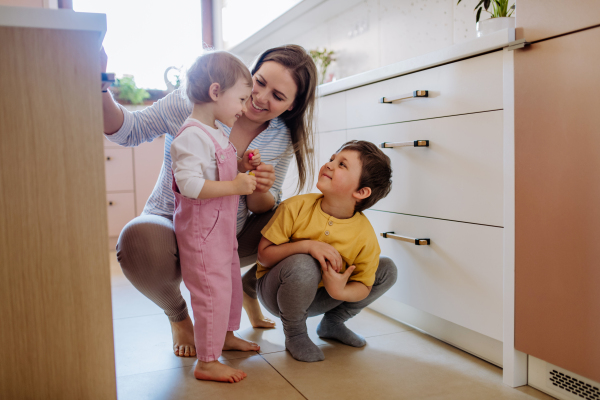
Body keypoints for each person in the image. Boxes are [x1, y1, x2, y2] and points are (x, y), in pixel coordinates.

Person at [102, 44, 318, 357]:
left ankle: (234, 313)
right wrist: (101, 84)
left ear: (291, 107)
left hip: (230, 230)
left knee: (292, 215)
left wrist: (257, 185)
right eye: (259, 82)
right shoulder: (196, 100)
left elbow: (264, 206)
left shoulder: (281, 135)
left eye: (278, 96)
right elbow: (128, 132)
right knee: (137, 240)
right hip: (175, 222)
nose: (259, 98)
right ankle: (178, 316)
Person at [256, 140, 398, 362]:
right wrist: (307, 246)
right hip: (276, 293)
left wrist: (340, 291)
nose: (329, 164)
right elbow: (263, 256)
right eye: (332, 158)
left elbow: (364, 285)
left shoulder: (364, 235)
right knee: (304, 263)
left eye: (342, 164)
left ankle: (333, 323)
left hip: (323, 296)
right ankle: (295, 334)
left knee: (387, 269)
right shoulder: (295, 207)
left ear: (361, 191)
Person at [170, 51, 262, 382]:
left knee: (228, 287)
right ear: (214, 92)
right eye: (240, 98)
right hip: (201, 234)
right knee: (211, 293)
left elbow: (216, 170)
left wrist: (241, 167)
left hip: (219, 231)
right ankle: (207, 361)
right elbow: (190, 184)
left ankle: (225, 337)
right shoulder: (191, 135)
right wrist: (236, 184)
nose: (244, 107)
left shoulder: (215, 131)